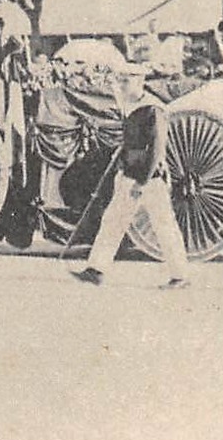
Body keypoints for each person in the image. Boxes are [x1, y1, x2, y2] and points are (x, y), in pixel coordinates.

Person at [71, 61, 190, 288]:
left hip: (149, 179)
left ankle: (180, 275)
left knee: (164, 226)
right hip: (128, 174)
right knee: (113, 221)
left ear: (139, 81)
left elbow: (157, 150)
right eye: (121, 80)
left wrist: (142, 182)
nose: (122, 85)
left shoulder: (153, 109)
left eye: (126, 81)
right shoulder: (131, 105)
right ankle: (96, 269)